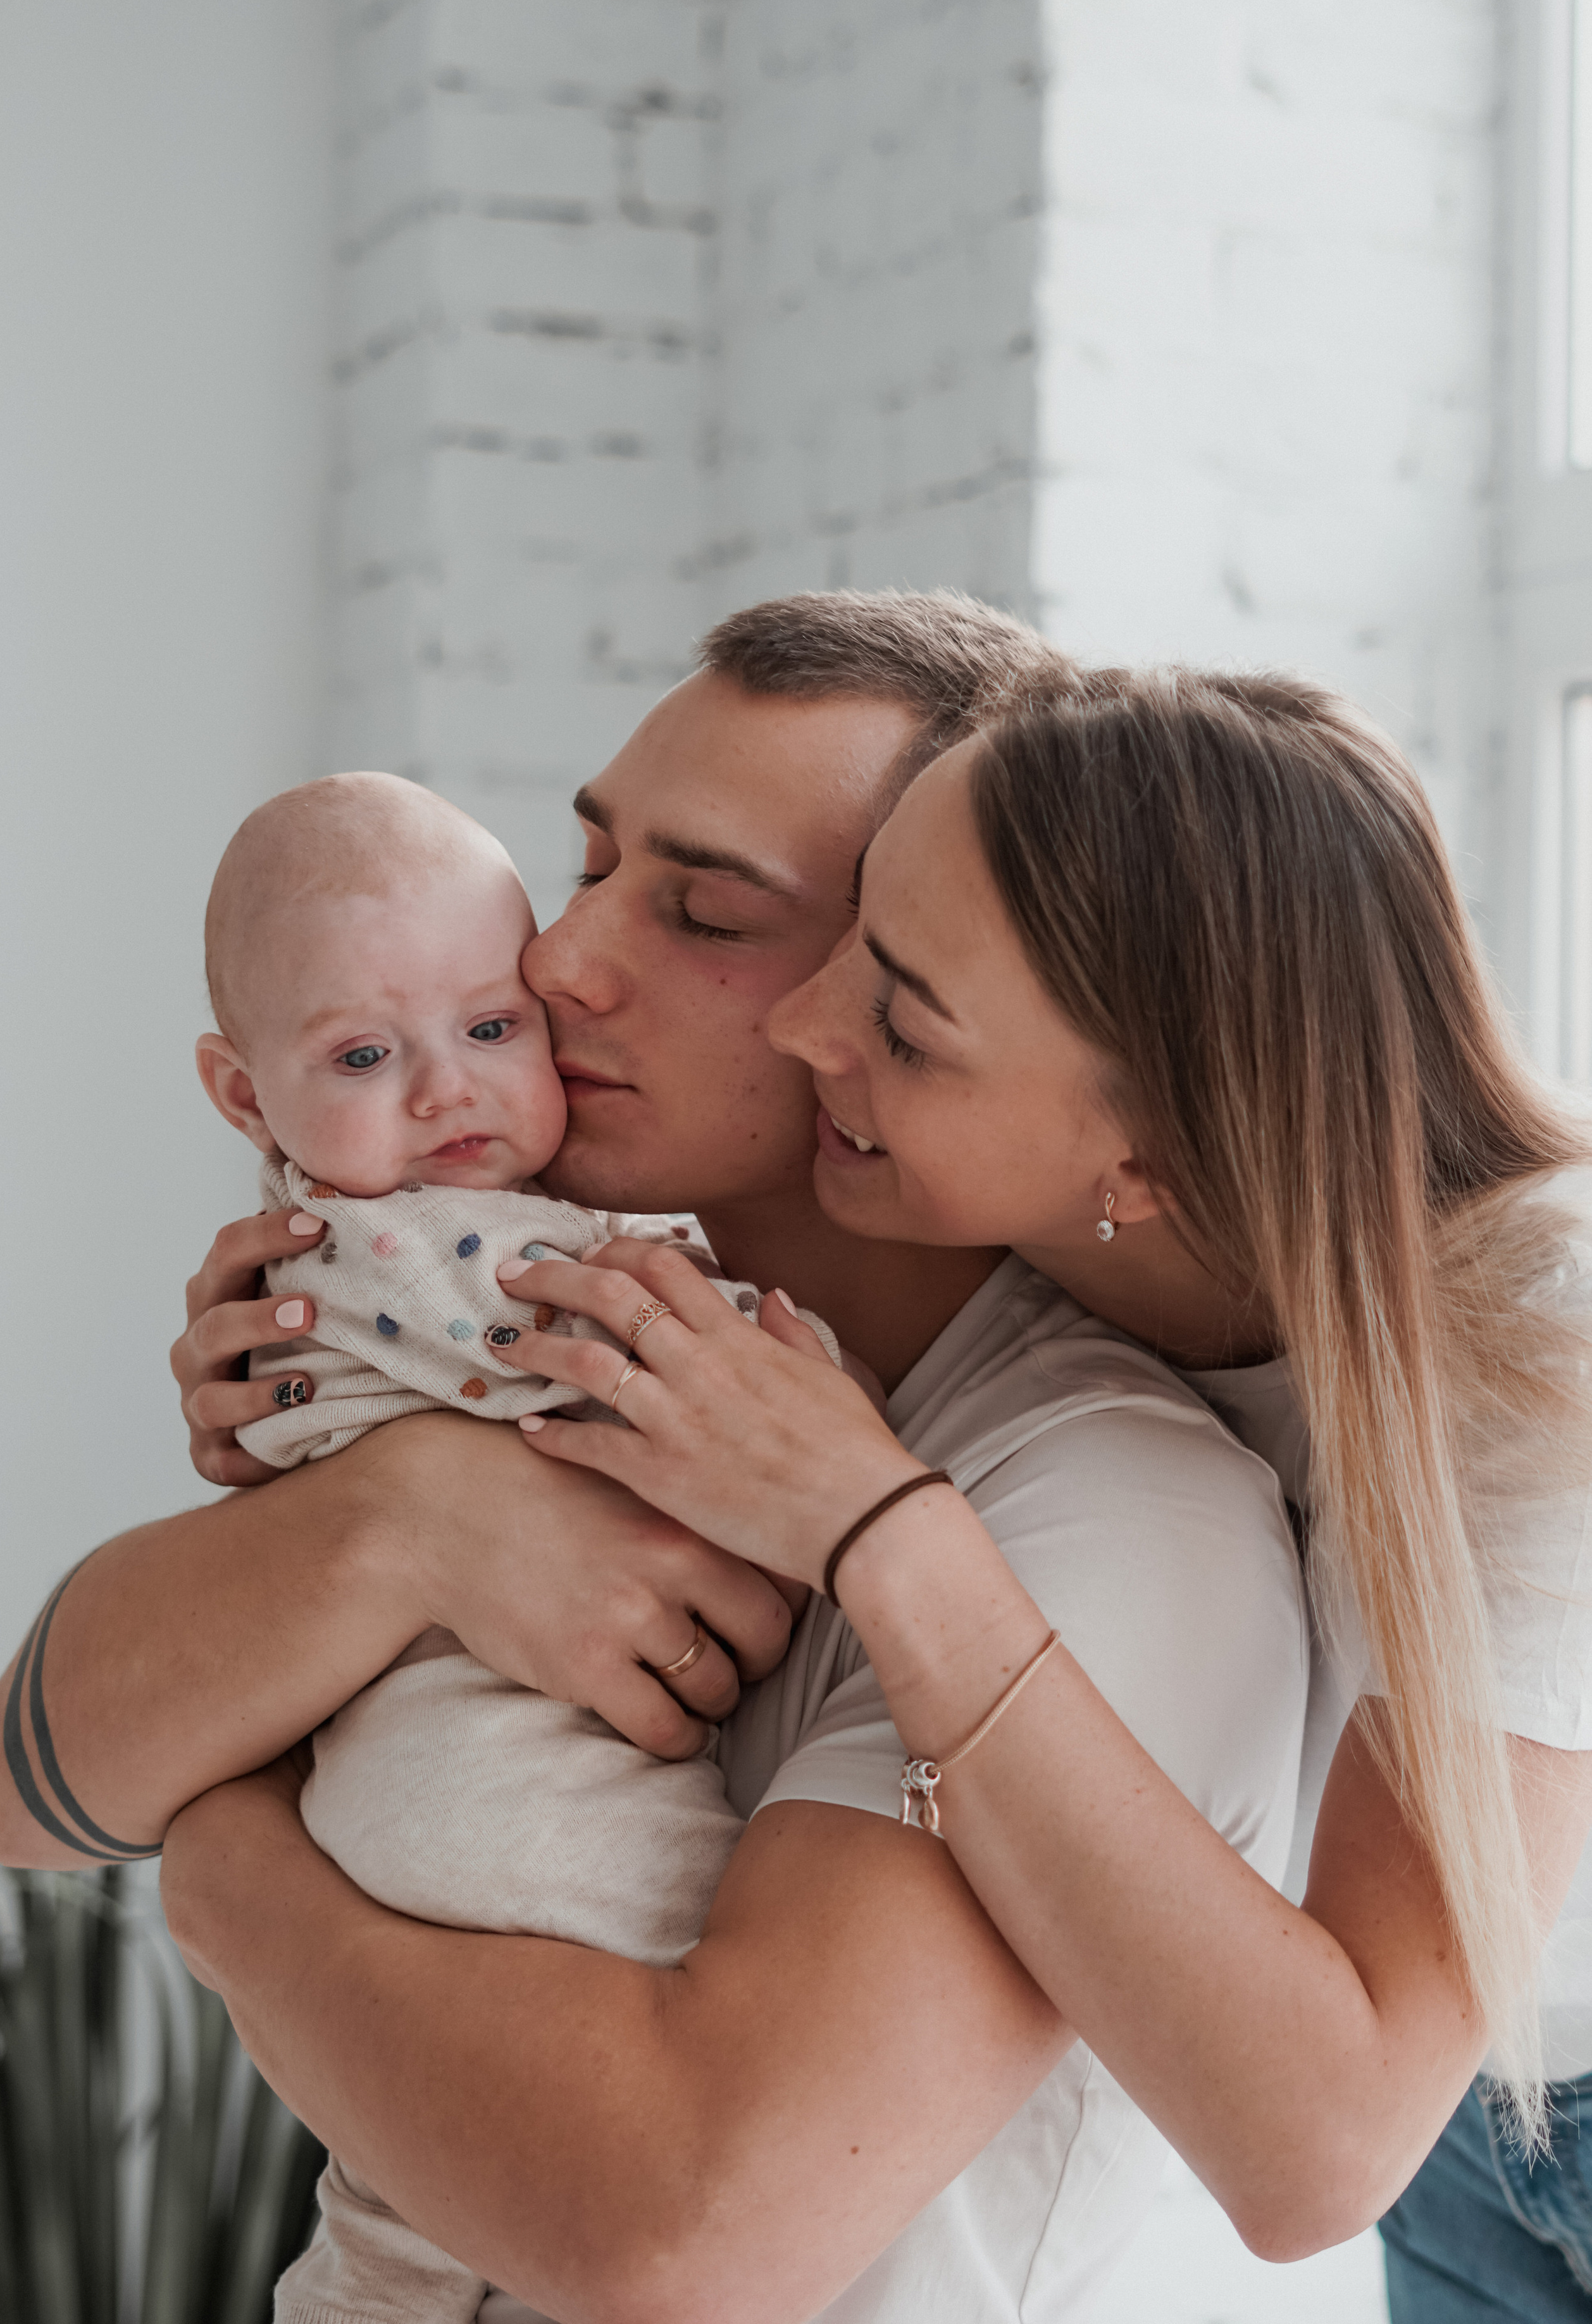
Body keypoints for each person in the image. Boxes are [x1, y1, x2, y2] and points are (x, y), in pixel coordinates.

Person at [0, 591, 1310, 2324]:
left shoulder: (1098, 1506)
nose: (559, 962)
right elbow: (21, 1784)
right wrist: (409, 1518)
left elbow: (679, 2236)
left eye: (703, 914)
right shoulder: (539, 1352)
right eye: (589, 865)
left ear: (900, 988)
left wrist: (231, 1876)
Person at [483, 657, 1592, 2321]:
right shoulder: (1090, 1255)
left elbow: (1320, 2144)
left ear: (1144, 1163)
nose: (805, 1030)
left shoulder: (1535, 1354)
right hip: (1473, 2139)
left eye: (904, 1024)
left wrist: (879, 1535)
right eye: (851, 941)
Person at [190, 766, 836, 2324]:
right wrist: (802, 1366)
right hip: (506, 1806)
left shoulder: (308, 1256)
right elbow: (608, 1346)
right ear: (241, 1094)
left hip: (411, 1801)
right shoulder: (415, 1246)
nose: (444, 1094)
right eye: (362, 1054)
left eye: (491, 1030)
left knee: (406, 2215)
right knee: (662, 2069)